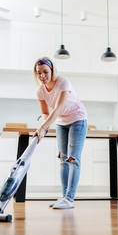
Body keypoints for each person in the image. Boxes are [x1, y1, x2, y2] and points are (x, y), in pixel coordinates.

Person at [33, 57, 87, 209]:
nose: (42, 76)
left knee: (73, 159)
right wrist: (44, 127)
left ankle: (69, 199)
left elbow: (58, 109)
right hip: (61, 123)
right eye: (39, 73)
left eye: (45, 72)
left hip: (77, 119)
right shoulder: (40, 92)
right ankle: (64, 197)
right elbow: (45, 112)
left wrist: (43, 128)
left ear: (52, 71)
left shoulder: (63, 83)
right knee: (63, 159)